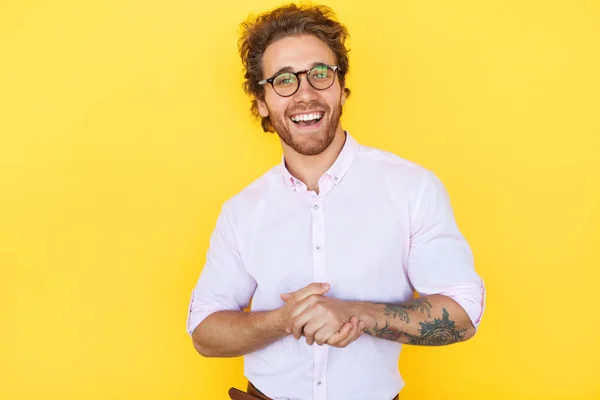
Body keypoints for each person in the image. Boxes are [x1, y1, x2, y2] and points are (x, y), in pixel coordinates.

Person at [186, 3, 485, 399]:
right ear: (261, 101)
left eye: (320, 74)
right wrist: (283, 320)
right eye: (283, 80)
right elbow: (205, 333)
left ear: (341, 88)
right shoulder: (242, 211)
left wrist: (357, 313)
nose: (305, 94)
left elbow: (463, 316)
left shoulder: (413, 188)